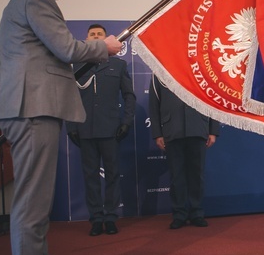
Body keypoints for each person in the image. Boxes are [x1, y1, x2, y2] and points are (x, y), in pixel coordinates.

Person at [0, 0, 122, 255]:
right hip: (34, 112)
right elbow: (66, 47)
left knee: (36, 202)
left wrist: (23, 88)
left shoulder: (15, 6)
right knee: (31, 205)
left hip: (28, 108)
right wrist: (104, 47)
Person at [67, 24, 136, 237]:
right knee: (91, 177)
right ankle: (96, 218)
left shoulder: (117, 64)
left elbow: (129, 96)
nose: (96, 36)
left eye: (100, 34)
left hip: (111, 130)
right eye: (92, 34)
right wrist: (71, 126)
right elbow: (68, 98)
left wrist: (126, 122)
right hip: (85, 130)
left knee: (113, 175)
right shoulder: (75, 66)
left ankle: (111, 216)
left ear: (107, 39)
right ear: (86, 39)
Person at [148, 76, 219, 229]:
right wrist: (157, 133)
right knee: (176, 176)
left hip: (198, 127)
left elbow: (212, 99)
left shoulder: (199, 67)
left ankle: (197, 213)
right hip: (172, 130)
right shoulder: (159, 71)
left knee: (197, 175)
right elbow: (154, 105)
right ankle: (179, 214)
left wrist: (213, 130)